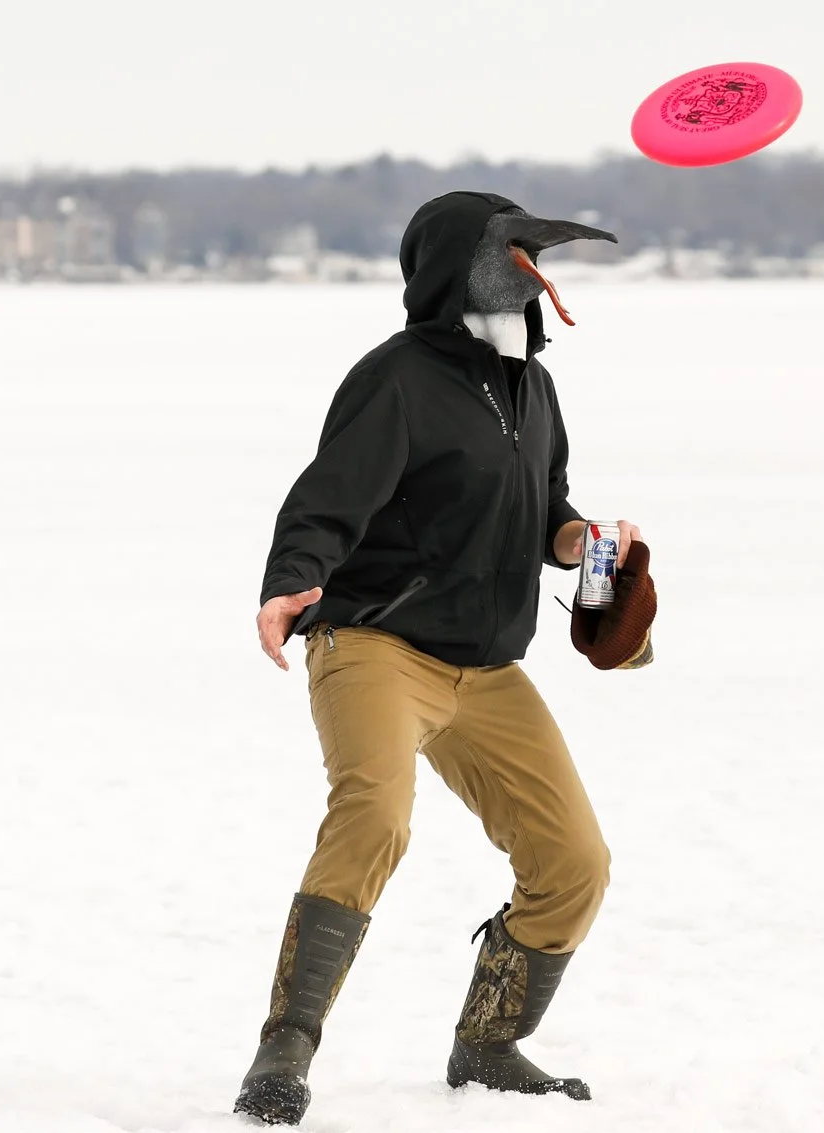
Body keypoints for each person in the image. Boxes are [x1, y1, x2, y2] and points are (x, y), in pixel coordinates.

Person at [233, 191, 639, 1124]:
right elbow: (326, 500)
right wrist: (291, 578)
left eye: (536, 257)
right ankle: (284, 1050)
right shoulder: (397, 378)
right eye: (516, 255)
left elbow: (548, 507)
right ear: (463, 270)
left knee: (575, 859)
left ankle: (489, 1042)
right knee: (374, 815)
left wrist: (582, 543)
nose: (536, 270)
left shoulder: (534, 387)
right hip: (376, 642)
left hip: (487, 668)